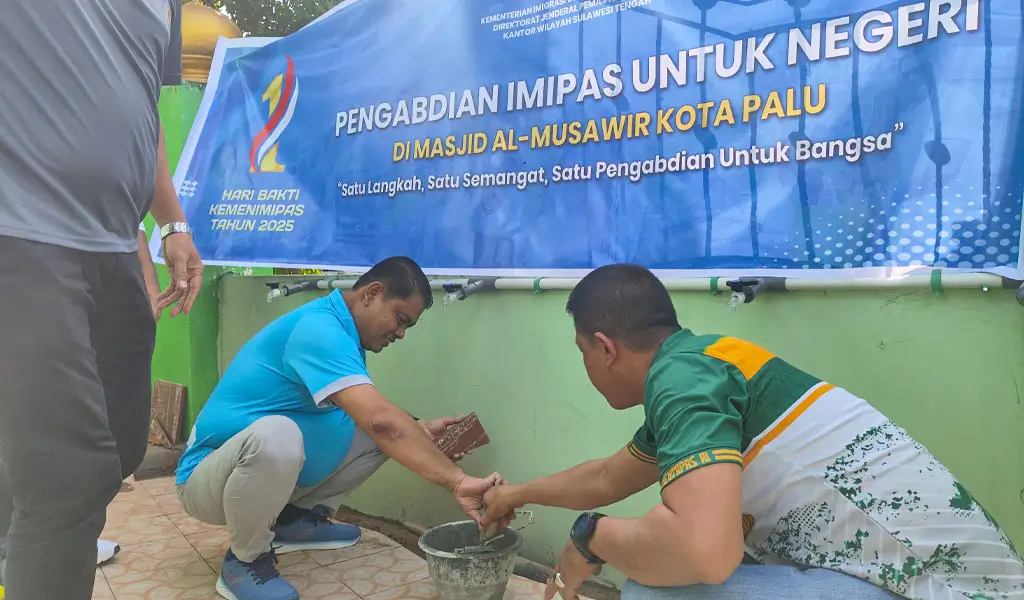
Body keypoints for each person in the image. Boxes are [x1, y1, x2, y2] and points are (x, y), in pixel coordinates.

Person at [480, 264, 1024, 600]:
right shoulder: (706, 364)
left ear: (605, 347)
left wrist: (589, 538)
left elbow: (705, 552)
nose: (586, 365)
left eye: (582, 353)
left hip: (942, 589)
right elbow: (605, 476)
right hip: (912, 576)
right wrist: (513, 494)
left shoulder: (685, 381)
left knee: (657, 589)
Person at [0, 0, 204, 597]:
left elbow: (142, 110)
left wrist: (169, 226)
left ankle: (20, 542)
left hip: (116, 244)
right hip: (21, 235)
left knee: (120, 447)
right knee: (68, 478)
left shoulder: (168, 6)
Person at [175, 256, 503, 600]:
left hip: (248, 475)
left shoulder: (343, 332)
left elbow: (375, 419)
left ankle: (293, 520)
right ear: (372, 293)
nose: (401, 333)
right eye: (400, 319)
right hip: (205, 479)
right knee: (279, 435)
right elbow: (380, 419)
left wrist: (420, 430)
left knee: (382, 433)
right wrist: (458, 480)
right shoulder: (319, 330)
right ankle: (245, 560)